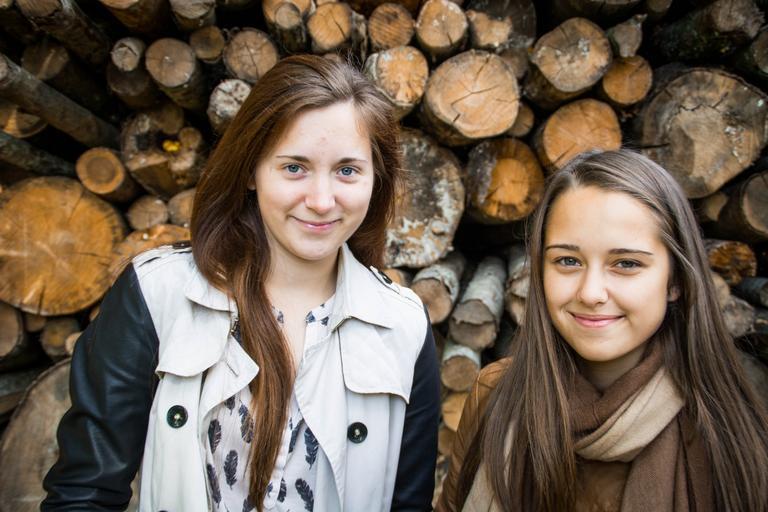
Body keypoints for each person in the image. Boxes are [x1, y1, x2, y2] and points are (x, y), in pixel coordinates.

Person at [42, 55, 440, 512]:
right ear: (252, 170)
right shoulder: (157, 294)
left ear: (375, 179)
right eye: (294, 167)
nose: (321, 200)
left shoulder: (403, 326)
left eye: (347, 170)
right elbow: (84, 493)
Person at [436, 149, 768, 512]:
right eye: (567, 261)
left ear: (675, 281)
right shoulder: (495, 395)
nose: (591, 293)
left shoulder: (730, 435)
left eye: (626, 263)